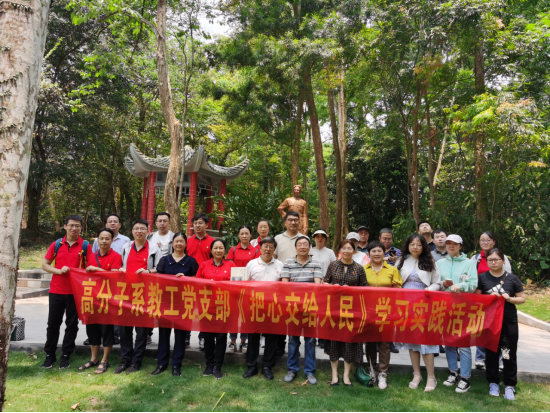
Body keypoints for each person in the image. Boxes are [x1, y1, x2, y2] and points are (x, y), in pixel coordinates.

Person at [41, 215, 93, 370]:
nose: (74, 228)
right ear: (65, 226)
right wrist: (59, 271)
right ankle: (50, 354)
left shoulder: (85, 246)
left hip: (75, 292)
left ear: (81, 227)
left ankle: (66, 354)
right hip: (56, 290)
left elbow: (89, 267)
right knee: (53, 324)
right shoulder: (57, 244)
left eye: (77, 225)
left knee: (71, 324)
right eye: (71, 225)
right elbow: (45, 265)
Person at [476, 248, 525, 401]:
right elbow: (476, 299)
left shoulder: (512, 278)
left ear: (503, 261)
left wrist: (509, 299)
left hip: (508, 322)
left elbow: (522, 298)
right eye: (490, 260)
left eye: (496, 259)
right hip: (489, 322)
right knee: (491, 352)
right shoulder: (482, 278)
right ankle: (493, 383)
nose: (493, 262)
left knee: (508, 352)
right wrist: (488, 297)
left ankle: (510, 385)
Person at [395, 234, 441, 393]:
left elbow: (437, 282)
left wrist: (430, 289)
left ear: (423, 247)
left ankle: (431, 377)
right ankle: (416, 375)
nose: (415, 247)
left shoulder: (430, 261)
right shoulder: (401, 261)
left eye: (418, 245)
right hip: (406, 304)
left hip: (424, 303)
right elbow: (395, 281)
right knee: (412, 341)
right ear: (408, 246)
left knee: (426, 340)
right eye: (412, 244)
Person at [115, 219, 162, 375]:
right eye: (136, 228)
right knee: (124, 329)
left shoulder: (153, 248)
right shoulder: (126, 247)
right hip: (126, 293)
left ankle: (137, 361)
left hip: (144, 295)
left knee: (141, 331)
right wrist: (121, 269)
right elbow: (122, 265)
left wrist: (148, 272)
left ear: (148, 231)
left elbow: (159, 269)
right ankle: (125, 360)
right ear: (132, 231)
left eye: (142, 228)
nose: (139, 231)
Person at [151, 232, 198, 377]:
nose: (179, 244)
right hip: (166, 303)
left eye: (181, 241)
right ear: (172, 243)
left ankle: (176, 364)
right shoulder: (164, 260)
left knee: (180, 336)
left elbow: (197, 280)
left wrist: (186, 278)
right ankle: (161, 363)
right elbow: (158, 279)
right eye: (176, 241)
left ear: (185, 244)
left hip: (183, 303)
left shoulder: (191, 261)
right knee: (163, 335)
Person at [323, 239, 368, 387]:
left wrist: (352, 290)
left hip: (352, 310)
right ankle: (334, 375)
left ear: (354, 250)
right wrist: (333, 286)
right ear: (340, 250)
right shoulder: (333, 265)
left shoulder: (359, 268)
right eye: (344, 248)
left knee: (350, 341)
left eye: (350, 248)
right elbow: (325, 282)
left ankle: (346, 375)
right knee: (334, 340)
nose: (347, 251)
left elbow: (365, 289)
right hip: (334, 309)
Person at [438, 234, 478, 394]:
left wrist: (460, 286)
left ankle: (465, 377)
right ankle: (453, 372)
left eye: (454, 243)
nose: (451, 246)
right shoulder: (440, 263)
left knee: (463, 343)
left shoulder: (469, 263)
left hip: (463, 307)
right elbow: (436, 282)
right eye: (448, 243)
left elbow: (473, 284)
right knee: (448, 342)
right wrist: (442, 284)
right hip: (445, 307)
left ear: (460, 246)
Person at [281, 236, 323, 385]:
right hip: (293, 308)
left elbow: (317, 286)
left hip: (310, 307)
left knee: (310, 341)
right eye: (300, 244)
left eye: (306, 244)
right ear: (296, 247)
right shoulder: (288, 263)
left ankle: (310, 371)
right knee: (293, 340)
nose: (303, 247)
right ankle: (292, 369)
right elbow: (285, 286)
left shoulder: (316, 263)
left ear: (309, 247)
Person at [79, 228, 122, 374]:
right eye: (101, 238)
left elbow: (115, 276)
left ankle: (104, 360)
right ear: (97, 240)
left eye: (107, 238)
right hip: (92, 298)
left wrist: (96, 269)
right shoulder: (92, 256)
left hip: (108, 299)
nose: (104, 241)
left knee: (107, 330)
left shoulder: (116, 256)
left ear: (112, 240)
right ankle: (94, 358)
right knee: (92, 329)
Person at [243, 237, 284, 380]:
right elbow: (244, 284)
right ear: (260, 248)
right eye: (265, 246)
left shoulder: (280, 265)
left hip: (273, 307)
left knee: (272, 338)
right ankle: (251, 366)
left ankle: (267, 366)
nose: (268, 249)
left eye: (271, 247)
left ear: (274, 249)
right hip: (255, 306)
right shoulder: (252, 264)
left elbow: (284, 286)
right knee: (253, 337)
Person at [364, 241, 403, 389]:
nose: (376, 253)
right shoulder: (363, 269)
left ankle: (383, 373)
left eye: (379, 251)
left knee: (385, 343)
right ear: (369, 253)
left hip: (387, 311)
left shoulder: (392, 269)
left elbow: (398, 289)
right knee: (370, 342)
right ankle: (372, 369)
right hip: (368, 311)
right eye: (373, 251)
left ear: (384, 253)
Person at [196, 239, 236, 380]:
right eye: (215, 248)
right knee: (208, 337)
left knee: (221, 337)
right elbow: (197, 283)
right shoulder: (204, 265)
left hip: (224, 307)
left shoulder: (231, 265)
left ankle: (218, 366)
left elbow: (237, 284)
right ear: (211, 250)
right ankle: (209, 364)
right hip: (207, 306)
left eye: (221, 248)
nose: (218, 250)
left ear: (225, 250)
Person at [472, 231, 512, 370]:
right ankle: (480, 358)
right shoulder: (475, 258)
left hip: (498, 298)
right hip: (482, 299)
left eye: (488, 240)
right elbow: (472, 276)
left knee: (499, 329)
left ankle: (500, 359)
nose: (485, 242)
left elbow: (508, 277)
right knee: (481, 328)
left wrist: (499, 292)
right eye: (482, 240)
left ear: (494, 242)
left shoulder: (502, 257)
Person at [226, 225, 260, 354]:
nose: (244, 236)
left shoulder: (256, 251)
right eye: (242, 233)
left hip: (249, 288)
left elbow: (257, 267)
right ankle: (232, 341)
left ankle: (244, 342)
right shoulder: (233, 250)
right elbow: (228, 266)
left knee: (245, 315)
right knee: (234, 315)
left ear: (251, 235)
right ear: (238, 235)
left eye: (247, 233)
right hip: (234, 287)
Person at [274, 211, 304, 356]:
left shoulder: (304, 239)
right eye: (290, 220)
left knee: (295, 317)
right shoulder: (278, 238)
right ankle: (279, 346)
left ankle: (295, 347)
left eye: (295, 220)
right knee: (281, 315)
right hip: (281, 284)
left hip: (299, 285)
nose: (293, 222)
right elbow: (273, 259)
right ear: (285, 222)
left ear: (299, 222)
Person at [187, 213, 216, 351]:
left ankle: (202, 337)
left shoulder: (213, 242)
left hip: (206, 281)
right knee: (188, 308)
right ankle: (186, 336)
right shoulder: (187, 241)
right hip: (189, 280)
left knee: (205, 310)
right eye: (195, 223)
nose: (197, 225)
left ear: (207, 224)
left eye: (200, 223)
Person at [310, 228, 337, 350]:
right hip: (312, 286)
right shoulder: (310, 251)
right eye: (317, 236)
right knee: (313, 312)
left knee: (324, 313)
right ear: (314, 238)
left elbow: (334, 268)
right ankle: (312, 337)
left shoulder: (330, 252)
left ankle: (322, 338)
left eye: (322, 236)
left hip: (326, 285)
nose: (320, 239)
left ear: (325, 239)